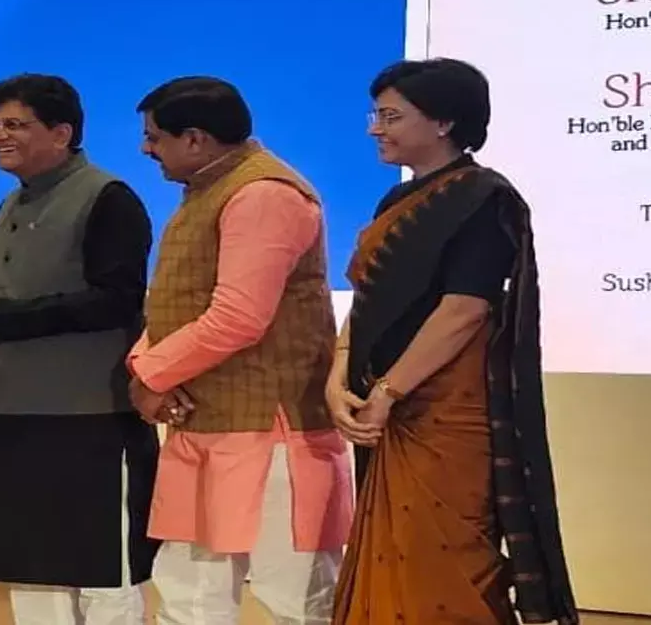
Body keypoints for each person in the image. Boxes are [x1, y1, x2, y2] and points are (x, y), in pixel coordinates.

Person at [325, 58, 579, 624]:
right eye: (375, 116)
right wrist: (337, 376)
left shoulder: (483, 198)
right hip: (384, 408)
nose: (375, 129)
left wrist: (388, 391)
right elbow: (369, 302)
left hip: (445, 413)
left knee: (440, 563)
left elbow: (465, 310)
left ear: (443, 122)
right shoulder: (396, 203)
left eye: (391, 117)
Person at [0, 73, 160, 624]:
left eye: (15, 125)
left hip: (90, 413)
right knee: (28, 564)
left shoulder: (108, 198)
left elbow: (116, 301)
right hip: (13, 408)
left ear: (62, 132)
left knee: (104, 566)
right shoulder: (13, 202)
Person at [127, 75, 354, 624]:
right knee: (189, 593)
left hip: (272, 433)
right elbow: (178, 302)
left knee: (295, 599)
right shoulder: (209, 190)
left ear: (196, 139)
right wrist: (146, 368)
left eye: (154, 137)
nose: (145, 149)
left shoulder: (265, 194)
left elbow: (238, 317)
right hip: (206, 424)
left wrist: (150, 376)